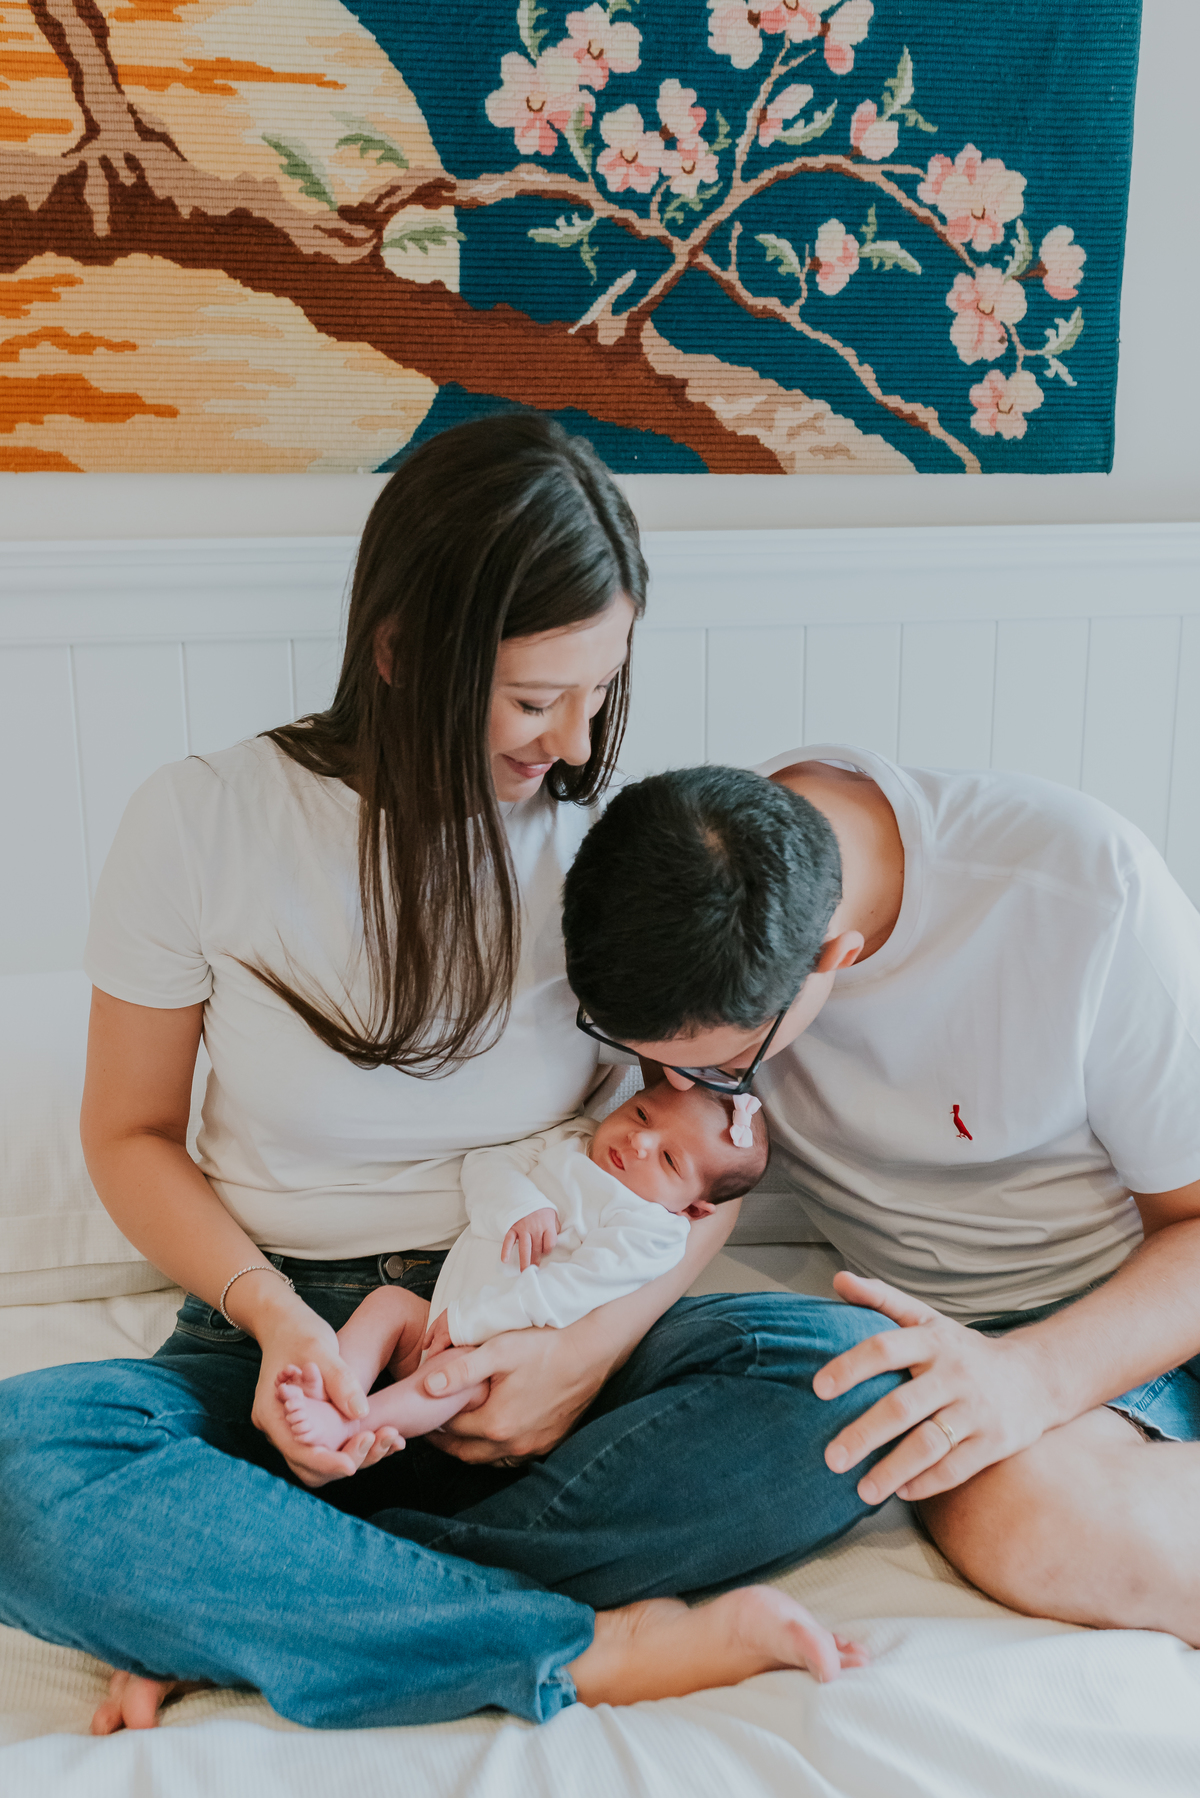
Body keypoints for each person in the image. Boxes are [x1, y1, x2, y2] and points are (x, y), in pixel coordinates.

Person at [0, 422, 895, 1738]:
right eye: (538, 699)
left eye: (601, 690)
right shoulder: (200, 823)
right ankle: (574, 1644)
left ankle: (270, 1599)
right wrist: (279, 1325)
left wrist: (577, 1358)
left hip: (545, 1307)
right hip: (280, 1332)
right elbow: (129, 1132)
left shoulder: (606, 851)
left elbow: (691, 1163)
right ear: (407, 650)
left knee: (858, 1379)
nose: (578, 739)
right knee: (26, 1463)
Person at [560, 751, 1200, 1644]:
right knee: (1013, 1515)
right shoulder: (673, 903)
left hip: (1140, 1296)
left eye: (715, 1066)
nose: (673, 1086)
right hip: (982, 1342)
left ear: (836, 959)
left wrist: (1033, 1376)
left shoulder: (1086, 894)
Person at [277, 1084, 770, 1457]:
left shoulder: (653, 1231)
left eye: (668, 1159)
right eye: (641, 1113)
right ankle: (334, 1389)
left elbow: (566, 1291)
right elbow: (487, 1164)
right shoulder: (571, 1139)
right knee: (387, 1305)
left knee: (456, 1375)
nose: (640, 1140)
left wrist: (473, 1323)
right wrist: (518, 1204)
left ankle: (350, 1430)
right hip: (438, 1319)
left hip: (502, 1358)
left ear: (695, 1210)